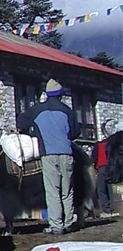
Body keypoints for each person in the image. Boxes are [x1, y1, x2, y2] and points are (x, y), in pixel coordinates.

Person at [16, 78, 80, 235]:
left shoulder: (37, 109)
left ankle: (56, 225)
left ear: (46, 94)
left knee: (53, 190)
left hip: (48, 154)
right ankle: (69, 221)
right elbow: (76, 132)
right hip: (67, 153)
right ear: (60, 95)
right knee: (67, 190)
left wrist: (33, 132)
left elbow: (21, 122)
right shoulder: (67, 110)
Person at [92, 121, 121, 219]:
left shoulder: (99, 145)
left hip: (102, 167)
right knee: (111, 189)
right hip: (112, 166)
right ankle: (113, 208)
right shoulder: (115, 143)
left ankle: (106, 209)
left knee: (102, 189)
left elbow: (94, 158)